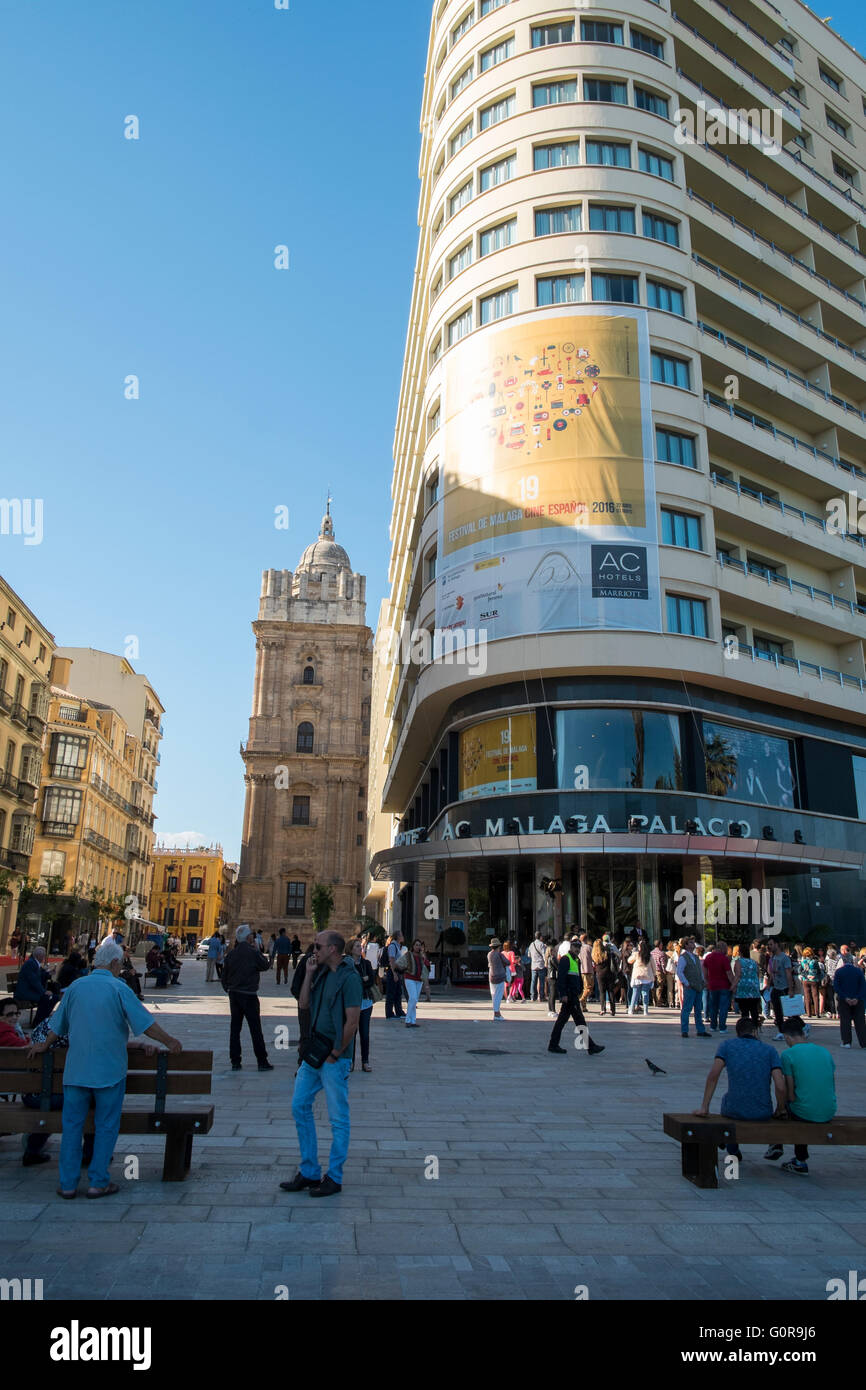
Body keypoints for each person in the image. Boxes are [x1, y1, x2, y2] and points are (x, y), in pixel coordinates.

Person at [27, 939, 182, 1198]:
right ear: (113, 963)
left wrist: (44, 1045)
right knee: (106, 1125)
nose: (120, 968)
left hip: (76, 1071)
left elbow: (57, 1023)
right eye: (119, 964)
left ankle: (67, 1184)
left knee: (73, 1127)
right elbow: (145, 1023)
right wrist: (169, 1041)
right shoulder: (118, 988)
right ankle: (98, 1181)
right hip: (109, 1071)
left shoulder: (76, 987)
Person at [282, 930, 362, 1197]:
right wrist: (308, 973)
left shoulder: (350, 978)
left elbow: (353, 1021)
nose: (313, 949)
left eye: (318, 946)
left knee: (338, 1118)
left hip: (333, 1058)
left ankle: (335, 1177)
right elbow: (303, 1004)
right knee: (299, 1105)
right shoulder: (321, 972)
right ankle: (309, 1171)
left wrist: (337, 1053)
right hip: (314, 1054)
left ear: (333, 949)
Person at [694, 1015, 787, 1162]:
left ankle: (733, 1149)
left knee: (727, 1098)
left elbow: (713, 1075)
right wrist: (780, 1109)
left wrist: (704, 1107)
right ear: (755, 1032)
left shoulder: (727, 1046)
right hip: (762, 1110)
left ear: (738, 1033)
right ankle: (774, 1144)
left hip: (734, 1109)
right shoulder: (769, 1050)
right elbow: (780, 1086)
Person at [764, 1017, 837, 1174]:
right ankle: (794, 1156)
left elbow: (788, 1092)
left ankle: (789, 1152)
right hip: (829, 1109)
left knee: (786, 1108)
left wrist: (781, 1108)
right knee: (802, 1104)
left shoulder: (788, 1054)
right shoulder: (824, 1052)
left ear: (787, 1037)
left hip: (806, 1111)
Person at [220, 925, 273, 1071]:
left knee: (235, 1029)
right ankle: (262, 1061)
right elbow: (265, 965)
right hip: (249, 995)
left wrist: (229, 989)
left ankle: (235, 1061)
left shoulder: (231, 954)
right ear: (249, 938)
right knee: (255, 1028)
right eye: (251, 935)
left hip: (234, 995)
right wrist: (257, 949)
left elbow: (224, 976)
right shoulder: (252, 952)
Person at [547, 938, 604, 1056]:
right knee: (578, 1020)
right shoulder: (565, 959)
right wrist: (563, 994)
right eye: (575, 947)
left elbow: (576, 977)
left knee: (565, 1021)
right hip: (569, 996)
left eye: (579, 948)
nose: (577, 950)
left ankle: (553, 1044)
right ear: (571, 947)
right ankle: (590, 1046)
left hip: (573, 995)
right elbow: (561, 979)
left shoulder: (576, 960)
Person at [677, 936, 712, 1038]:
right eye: (691, 943)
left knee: (698, 1009)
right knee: (687, 1009)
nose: (693, 945)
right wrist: (686, 983)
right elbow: (680, 972)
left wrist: (703, 980)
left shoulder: (696, 957)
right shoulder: (683, 957)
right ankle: (684, 1030)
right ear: (686, 945)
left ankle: (700, 1030)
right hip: (690, 986)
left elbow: (699, 971)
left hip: (698, 985)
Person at [349, 937, 375, 1072]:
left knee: (364, 1033)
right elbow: (347, 982)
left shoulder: (367, 964)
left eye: (361, 946)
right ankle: (350, 1062)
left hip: (365, 1002)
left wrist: (360, 981)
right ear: (351, 949)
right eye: (357, 946)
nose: (361, 948)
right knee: (351, 1033)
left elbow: (371, 981)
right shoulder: (347, 964)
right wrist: (362, 979)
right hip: (351, 1004)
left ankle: (365, 1061)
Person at [832, 952, 866, 1049]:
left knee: (845, 1021)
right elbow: (863, 986)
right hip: (858, 1000)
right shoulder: (858, 971)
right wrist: (857, 997)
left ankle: (846, 1042)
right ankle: (863, 1043)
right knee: (860, 1022)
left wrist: (845, 997)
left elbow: (837, 987)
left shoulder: (839, 972)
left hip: (844, 999)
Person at [703, 940, 735, 1034]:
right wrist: (733, 984)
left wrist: (707, 981)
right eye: (725, 948)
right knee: (723, 1007)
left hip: (713, 985)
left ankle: (713, 1026)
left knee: (713, 1006)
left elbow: (704, 971)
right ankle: (722, 1027)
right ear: (721, 948)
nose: (726, 950)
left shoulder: (708, 957)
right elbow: (729, 973)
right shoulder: (724, 958)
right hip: (724, 985)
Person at [766, 939, 795, 1039]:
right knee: (777, 1010)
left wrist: (790, 989)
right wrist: (769, 983)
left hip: (784, 987)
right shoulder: (773, 957)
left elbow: (788, 973)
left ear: (776, 944)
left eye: (771, 944)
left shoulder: (784, 958)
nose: (769, 946)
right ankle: (781, 1031)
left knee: (790, 1010)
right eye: (768, 945)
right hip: (776, 987)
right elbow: (771, 972)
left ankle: (803, 1026)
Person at [401, 938, 429, 1026]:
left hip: (419, 980)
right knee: (413, 998)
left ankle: (412, 1021)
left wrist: (424, 958)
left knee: (414, 1000)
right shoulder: (408, 955)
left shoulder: (422, 956)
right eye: (416, 945)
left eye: (419, 945)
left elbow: (427, 966)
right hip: (409, 978)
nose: (418, 947)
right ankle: (408, 1020)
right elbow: (400, 963)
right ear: (413, 946)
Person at [627, 939, 655, 1016]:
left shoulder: (636, 954)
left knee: (635, 994)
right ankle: (645, 1011)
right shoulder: (649, 956)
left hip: (637, 977)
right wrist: (654, 975)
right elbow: (654, 967)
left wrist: (633, 953)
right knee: (645, 994)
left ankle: (631, 1009)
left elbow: (629, 960)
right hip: (647, 977)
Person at [592, 936, 617, 1017]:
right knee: (611, 991)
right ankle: (613, 1010)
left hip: (599, 975)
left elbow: (594, 964)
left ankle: (603, 1009)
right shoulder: (607, 952)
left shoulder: (594, 955)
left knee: (602, 992)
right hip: (609, 973)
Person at [384, 931, 406, 1020]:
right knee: (391, 993)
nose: (403, 936)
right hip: (393, 971)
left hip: (397, 972)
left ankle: (399, 1011)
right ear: (397, 937)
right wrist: (394, 974)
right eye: (401, 935)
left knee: (398, 992)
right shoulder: (392, 946)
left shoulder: (397, 946)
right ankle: (389, 1013)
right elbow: (391, 960)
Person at [488, 938, 509, 1020]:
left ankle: (497, 1013)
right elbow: (507, 962)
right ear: (498, 946)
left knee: (493, 995)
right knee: (498, 996)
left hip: (491, 977)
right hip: (499, 977)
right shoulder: (499, 954)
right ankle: (496, 1014)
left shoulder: (489, 954)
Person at [799, 948, 823, 1020]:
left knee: (807, 996)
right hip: (814, 979)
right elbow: (818, 971)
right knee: (815, 996)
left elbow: (800, 970)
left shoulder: (803, 962)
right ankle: (817, 1013)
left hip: (805, 980)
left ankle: (809, 1013)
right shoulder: (814, 961)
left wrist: (804, 976)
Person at [528, 932, 547, 1003]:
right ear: (540, 937)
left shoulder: (531, 944)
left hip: (533, 966)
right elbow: (544, 954)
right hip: (541, 965)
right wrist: (546, 963)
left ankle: (532, 997)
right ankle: (541, 996)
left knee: (533, 982)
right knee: (541, 981)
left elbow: (529, 955)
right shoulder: (542, 944)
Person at [650, 940, 667, 1007]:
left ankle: (654, 1000)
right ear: (659, 945)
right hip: (659, 971)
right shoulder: (661, 953)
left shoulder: (651, 953)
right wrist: (664, 971)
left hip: (652, 971)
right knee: (659, 986)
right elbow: (663, 964)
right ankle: (658, 1001)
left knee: (653, 986)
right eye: (661, 945)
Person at [545, 938, 559, 1017]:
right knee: (553, 994)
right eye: (554, 950)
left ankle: (550, 1009)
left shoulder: (548, 958)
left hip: (549, 977)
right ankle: (553, 1010)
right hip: (553, 976)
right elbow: (557, 967)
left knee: (551, 994)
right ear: (551, 951)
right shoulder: (553, 958)